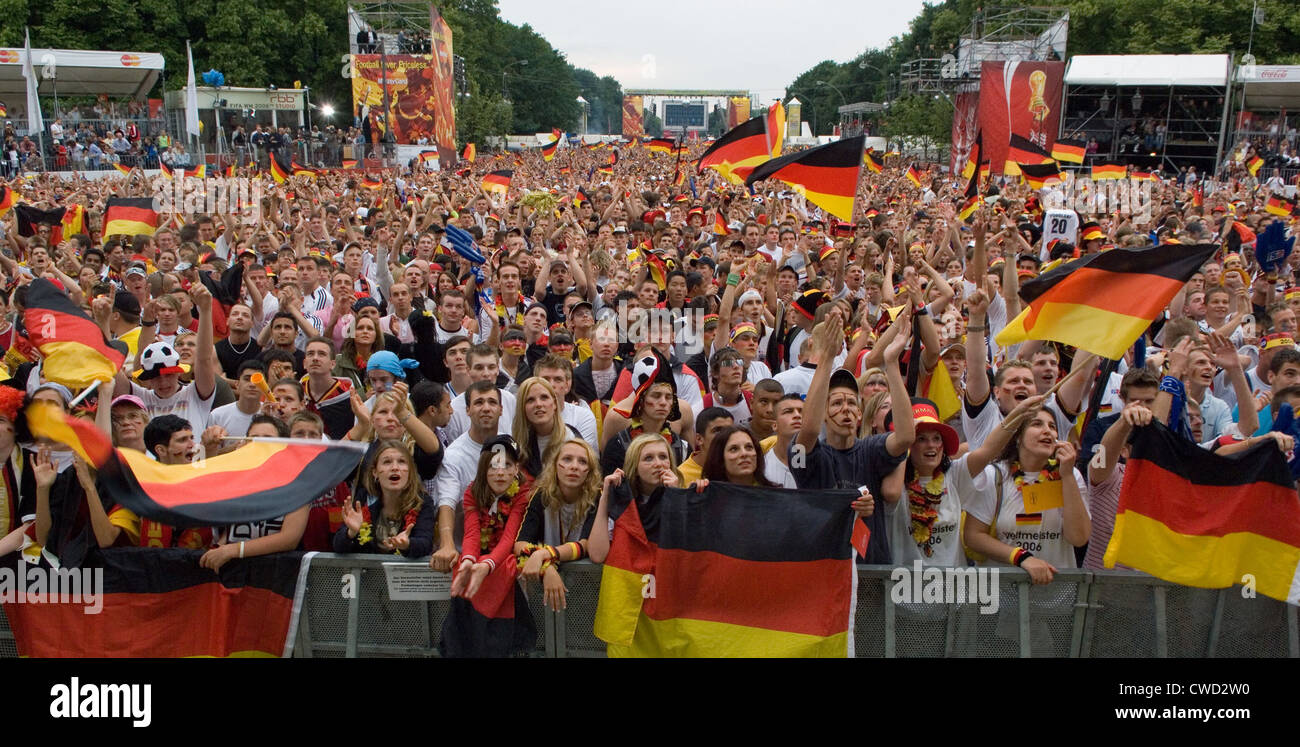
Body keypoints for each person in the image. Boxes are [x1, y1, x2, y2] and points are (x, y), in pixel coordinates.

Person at [790, 307, 914, 563]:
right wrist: (826, 358)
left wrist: (891, 363)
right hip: (825, 570)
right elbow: (809, 430)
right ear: (824, 415)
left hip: (871, 572)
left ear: (860, 414)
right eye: (836, 403)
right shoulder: (806, 457)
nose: (845, 408)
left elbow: (904, 437)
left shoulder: (871, 449)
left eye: (851, 403)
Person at [958, 396, 1090, 584]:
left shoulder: (1071, 475)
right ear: (1018, 437)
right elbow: (973, 536)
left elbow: (1079, 538)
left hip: (1056, 593)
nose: (1047, 431)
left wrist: (1067, 475)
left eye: (1052, 426)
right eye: (1037, 424)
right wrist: (1022, 557)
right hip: (1003, 591)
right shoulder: (995, 475)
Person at [440, 435, 535, 657]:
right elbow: (472, 535)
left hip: (508, 558)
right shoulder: (472, 492)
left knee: (503, 566)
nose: (500, 472)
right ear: (483, 468)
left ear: (516, 469)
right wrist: (468, 561)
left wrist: (487, 565)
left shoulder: (524, 493)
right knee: (463, 565)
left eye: (507, 465)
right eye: (493, 466)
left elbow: (510, 537)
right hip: (485, 558)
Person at [515, 438, 600, 611]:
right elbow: (520, 543)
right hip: (543, 590)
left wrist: (544, 554)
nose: (574, 467)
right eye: (567, 459)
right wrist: (547, 567)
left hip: (586, 589)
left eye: (582, 462)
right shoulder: (542, 496)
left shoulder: (598, 497)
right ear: (555, 466)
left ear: (590, 472)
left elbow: (587, 545)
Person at [881, 399, 966, 566]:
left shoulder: (954, 475)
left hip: (953, 582)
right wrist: (903, 442)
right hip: (903, 581)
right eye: (920, 439)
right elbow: (890, 494)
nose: (931, 445)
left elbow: (985, 448)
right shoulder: (893, 480)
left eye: (936, 438)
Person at [334, 439, 436, 556]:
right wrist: (351, 532)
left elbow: (425, 544)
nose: (395, 467)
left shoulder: (422, 502)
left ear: (410, 471)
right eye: (387, 462)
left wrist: (407, 544)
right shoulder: (363, 500)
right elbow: (338, 546)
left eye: (401, 461)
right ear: (375, 472)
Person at [701, 425, 773, 486]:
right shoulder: (707, 493)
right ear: (720, 458)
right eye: (734, 449)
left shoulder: (773, 493)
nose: (744, 454)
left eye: (749, 447)